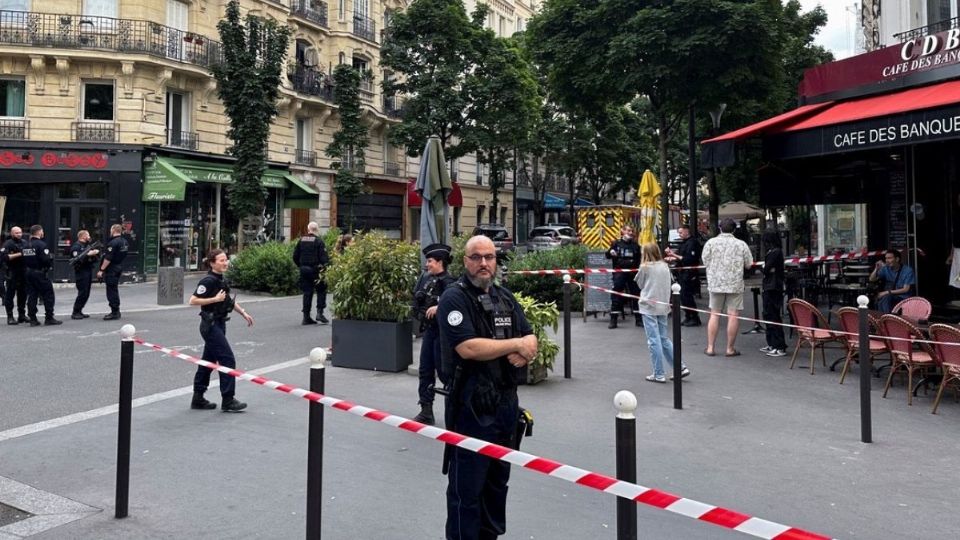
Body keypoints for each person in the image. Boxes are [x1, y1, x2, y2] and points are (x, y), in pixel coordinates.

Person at [438, 235, 537, 540]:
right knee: (466, 490)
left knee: (497, 485)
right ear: (465, 261)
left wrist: (527, 346)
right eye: (476, 257)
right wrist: (515, 344)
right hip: (470, 406)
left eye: (490, 257)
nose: (484, 263)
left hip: (505, 406)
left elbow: (530, 337)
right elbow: (468, 348)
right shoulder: (454, 298)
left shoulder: (504, 296)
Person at [189, 249, 254, 412]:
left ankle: (198, 397)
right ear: (212, 263)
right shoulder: (208, 281)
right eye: (221, 260)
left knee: (208, 362)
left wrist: (243, 313)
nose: (225, 263)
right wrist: (214, 299)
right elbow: (193, 300)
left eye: (226, 260)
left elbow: (228, 301)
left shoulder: (221, 279)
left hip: (219, 322)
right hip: (210, 325)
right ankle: (228, 399)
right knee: (227, 359)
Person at [411, 243, 456, 425]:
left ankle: (454, 411)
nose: (427, 264)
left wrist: (440, 307)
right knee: (425, 370)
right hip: (430, 331)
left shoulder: (451, 283)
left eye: (430, 261)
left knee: (445, 373)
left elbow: (456, 304)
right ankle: (426, 409)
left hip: (443, 336)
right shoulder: (428, 279)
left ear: (440, 262)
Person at [635, 242, 690, 383]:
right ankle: (680, 367)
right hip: (663, 304)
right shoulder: (665, 266)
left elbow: (640, 284)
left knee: (653, 340)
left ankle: (658, 373)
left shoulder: (645, 267)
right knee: (664, 338)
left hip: (648, 305)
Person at [701, 218, 754, 357]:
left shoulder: (710, 243)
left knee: (714, 314)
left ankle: (710, 347)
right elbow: (749, 264)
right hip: (734, 283)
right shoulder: (741, 244)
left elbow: (705, 261)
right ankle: (730, 348)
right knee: (733, 315)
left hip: (715, 283)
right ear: (734, 229)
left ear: (719, 228)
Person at [22, 225, 61, 326]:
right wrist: (49, 262)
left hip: (28, 272)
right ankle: (49, 317)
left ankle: (33, 318)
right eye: (42, 231)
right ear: (39, 232)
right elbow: (45, 260)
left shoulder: (26, 245)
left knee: (32, 295)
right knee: (48, 294)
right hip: (39, 273)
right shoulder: (41, 245)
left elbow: (24, 259)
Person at [292, 222, 330, 325]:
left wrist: (301, 266)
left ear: (308, 229)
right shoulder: (319, 242)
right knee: (321, 290)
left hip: (304, 269)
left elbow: (295, 256)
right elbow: (324, 259)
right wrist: (325, 269)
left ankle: (306, 317)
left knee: (307, 293)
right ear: (317, 230)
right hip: (316, 270)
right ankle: (319, 313)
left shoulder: (301, 240)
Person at [605, 225, 642, 328]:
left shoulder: (635, 245)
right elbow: (607, 255)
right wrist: (610, 252)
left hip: (632, 274)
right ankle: (613, 320)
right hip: (619, 274)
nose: (631, 233)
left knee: (636, 295)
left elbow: (639, 260)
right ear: (623, 231)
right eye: (628, 230)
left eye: (632, 231)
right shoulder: (616, 244)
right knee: (616, 296)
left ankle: (639, 319)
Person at [759, 228, 788, 357]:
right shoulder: (774, 252)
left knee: (773, 315)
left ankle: (779, 345)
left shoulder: (775, 253)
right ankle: (771, 342)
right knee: (767, 314)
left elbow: (766, 269)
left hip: (773, 287)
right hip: (769, 286)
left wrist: (764, 268)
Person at [667, 224, 702, 326]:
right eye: (679, 232)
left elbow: (688, 259)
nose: (680, 234)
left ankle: (694, 317)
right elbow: (680, 256)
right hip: (682, 272)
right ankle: (688, 316)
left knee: (687, 295)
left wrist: (673, 255)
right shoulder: (684, 243)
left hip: (689, 273)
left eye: (681, 232)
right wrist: (672, 258)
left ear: (687, 231)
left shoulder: (692, 243)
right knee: (683, 296)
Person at [97, 224, 128, 321]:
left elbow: (108, 258)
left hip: (112, 268)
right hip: (119, 266)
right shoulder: (124, 241)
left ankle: (115, 311)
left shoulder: (113, 243)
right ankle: (116, 310)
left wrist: (101, 270)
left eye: (111, 230)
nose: (110, 232)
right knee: (114, 289)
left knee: (111, 290)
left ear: (114, 230)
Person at [870, 248, 915, 313]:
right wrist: (876, 269)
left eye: (889, 258)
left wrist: (886, 292)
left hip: (903, 297)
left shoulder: (907, 270)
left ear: (897, 259)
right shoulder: (885, 268)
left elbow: (905, 289)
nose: (887, 260)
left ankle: (887, 318)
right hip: (889, 297)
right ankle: (881, 318)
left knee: (886, 298)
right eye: (886, 258)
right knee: (880, 299)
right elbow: (872, 279)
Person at [70, 230, 100, 319]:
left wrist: (94, 253)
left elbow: (95, 258)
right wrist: (88, 254)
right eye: (88, 235)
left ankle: (79, 310)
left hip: (88, 270)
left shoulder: (86, 246)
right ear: (83, 236)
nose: (89, 237)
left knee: (86, 293)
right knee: (82, 292)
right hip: (81, 272)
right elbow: (77, 259)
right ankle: (75, 312)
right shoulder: (76, 246)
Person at [2, 226, 27, 325]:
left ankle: (22, 315)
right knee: (10, 295)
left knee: (23, 294)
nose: (19, 234)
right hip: (12, 272)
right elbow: (4, 257)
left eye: (20, 232)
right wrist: (20, 254)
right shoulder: (8, 244)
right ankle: (10, 316)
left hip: (23, 271)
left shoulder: (24, 242)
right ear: (12, 233)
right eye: (17, 233)